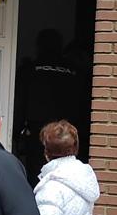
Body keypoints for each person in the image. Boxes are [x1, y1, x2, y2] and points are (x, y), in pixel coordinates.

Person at [12, 28, 79, 187]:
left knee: (36, 177)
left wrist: (14, 133)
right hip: (67, 132)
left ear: (38, 46)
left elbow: (20, 103)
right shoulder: (74, 71)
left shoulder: (29, 70)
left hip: (37, 132)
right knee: (66, 175)